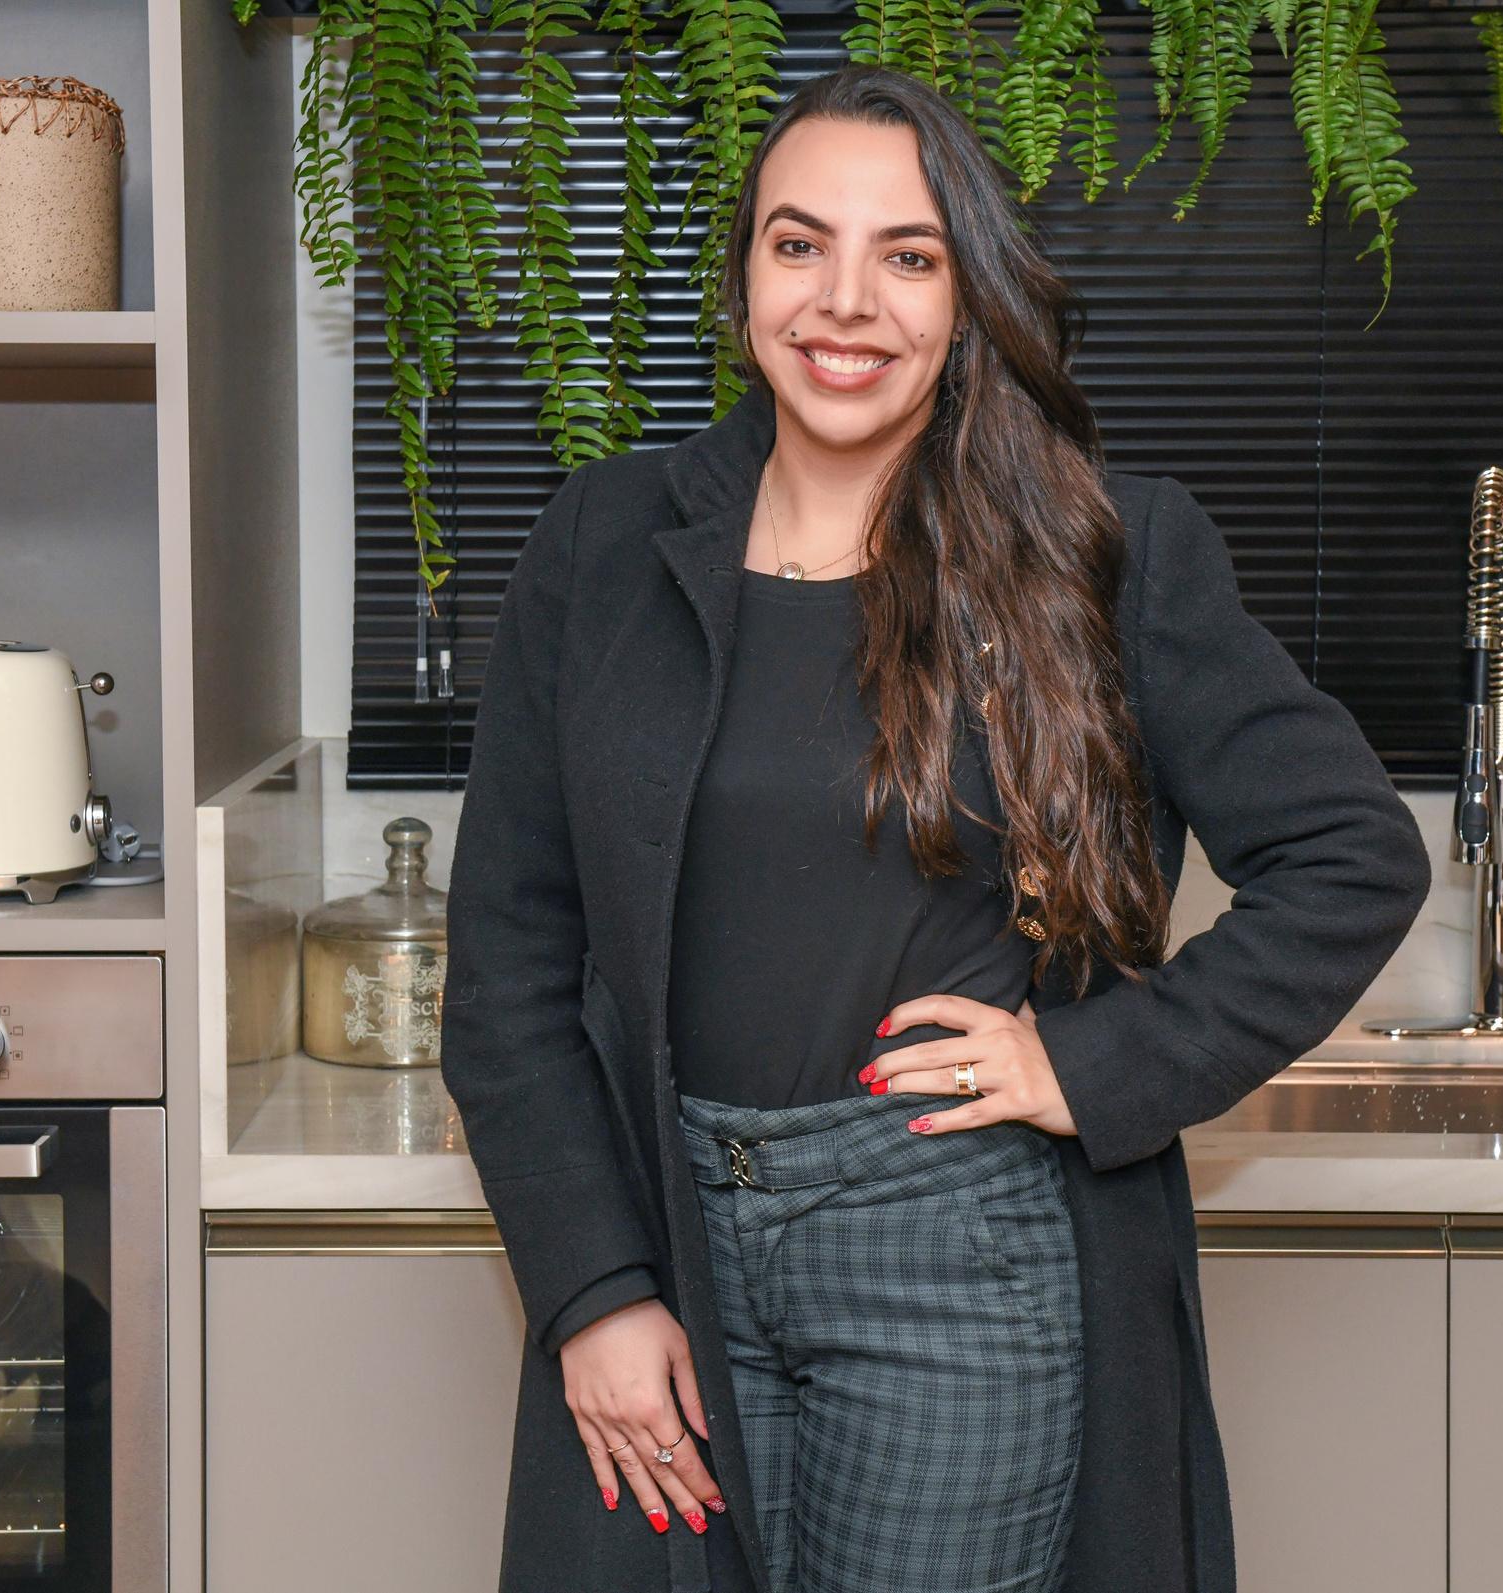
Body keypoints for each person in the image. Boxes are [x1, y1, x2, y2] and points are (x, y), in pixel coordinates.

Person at [439, 63, 1434, 1593]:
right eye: (800, 244)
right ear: (743, 275)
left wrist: (1083, 1063)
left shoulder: (1100, 551)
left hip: (950, 1254)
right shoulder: (604, 542)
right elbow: (509, 957)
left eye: (907, 255)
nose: (846, 301)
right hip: (666, 1232)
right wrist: (594, 1287)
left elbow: (1352, 856)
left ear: (966, 297)